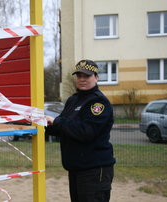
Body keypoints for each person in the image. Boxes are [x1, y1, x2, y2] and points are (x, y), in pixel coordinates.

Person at [45, 59, 116, 202]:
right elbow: (63, 128)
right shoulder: (73, 100)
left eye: (87, 76)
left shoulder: (99, 103)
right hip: (76, 168)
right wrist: (44, 126)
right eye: (79, 76)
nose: (82, 79)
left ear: (96, 77)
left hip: (94, 170)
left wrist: (57, 121)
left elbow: (86, 131)